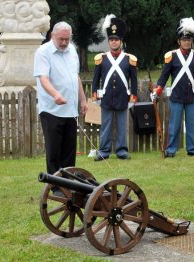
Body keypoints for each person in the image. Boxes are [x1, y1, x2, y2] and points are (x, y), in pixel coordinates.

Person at [33, 21, 88, 175]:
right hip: (51, 110)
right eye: (61, 39)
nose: (64, 43)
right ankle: (55, 185)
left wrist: (82, 100)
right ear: (53, 36)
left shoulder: (72, 50)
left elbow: (75, 77)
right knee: (54, 151)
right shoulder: (43, 52)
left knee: (69, 151)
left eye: (67, 39)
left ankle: (69, 183)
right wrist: (55, 94)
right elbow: (43, 78)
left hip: (70, 110)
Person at [151, 18, 194, 158]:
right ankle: (171, 149)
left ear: (191, 41)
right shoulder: (172, 56)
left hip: (191, 96)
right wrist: (157, 91)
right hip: (176, 96)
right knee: (174, 125)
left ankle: (191, 148)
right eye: (184, 40)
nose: (187, 42)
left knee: (191, 124)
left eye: (189, 40)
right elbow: (164, 76)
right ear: (179, 41)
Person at [92, 15, 138, 161]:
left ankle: (121, 151)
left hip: (122, 97)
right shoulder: (102, 58)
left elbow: (134, 81)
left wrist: (133, 97)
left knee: (122, 127)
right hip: (106, 97)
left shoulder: (129, 59)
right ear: (109, 41)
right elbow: (96, 79)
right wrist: (95, 95)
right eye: (111, 40)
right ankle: (104, 151)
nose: (113, 42)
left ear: (121, 41)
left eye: (116, 39)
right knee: (105, 126)